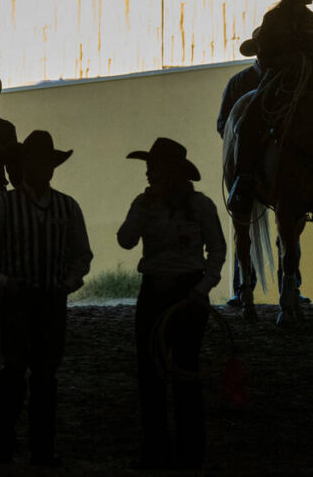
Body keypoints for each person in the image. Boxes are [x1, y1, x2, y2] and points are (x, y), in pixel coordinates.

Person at [0, 130, 92, 467]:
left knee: (40, 377)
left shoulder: (65, 206)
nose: (41, 168)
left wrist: (66, 284)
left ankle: (27, 449)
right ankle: (13, 447)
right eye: (35, 161)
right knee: (15, 375)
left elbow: (80, 256)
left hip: (42, 300)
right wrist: (8, 283)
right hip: (17, 301)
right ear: (24, 164)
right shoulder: (4, 204)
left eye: (45, 162)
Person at [118, 137, 226, 470]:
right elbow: (125, 240)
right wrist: (140, 208)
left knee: (185, 371)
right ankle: (158, 451)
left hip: (187, 293)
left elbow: (218, 252)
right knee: (151, 374)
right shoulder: (144, 203)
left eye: (154, 169)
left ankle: (188, 453)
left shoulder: (201, 206)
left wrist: (202, 288)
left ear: (171, 173)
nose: (149, 175)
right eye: (149, 169)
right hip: (155, 289)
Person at [226, 0, 313, 214]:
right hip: (277, 84)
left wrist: (311, 65)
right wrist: (288, 63)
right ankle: (243, 181)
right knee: (248, 122)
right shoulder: (273, 19)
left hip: (309, 84)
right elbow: (265, 58)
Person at [217, 58, 307, 307]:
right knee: (243, 224)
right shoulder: (239, 83)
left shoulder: (295, 78)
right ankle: (243, 286)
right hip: (253, 156)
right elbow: (224, 124)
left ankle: (291, 284)